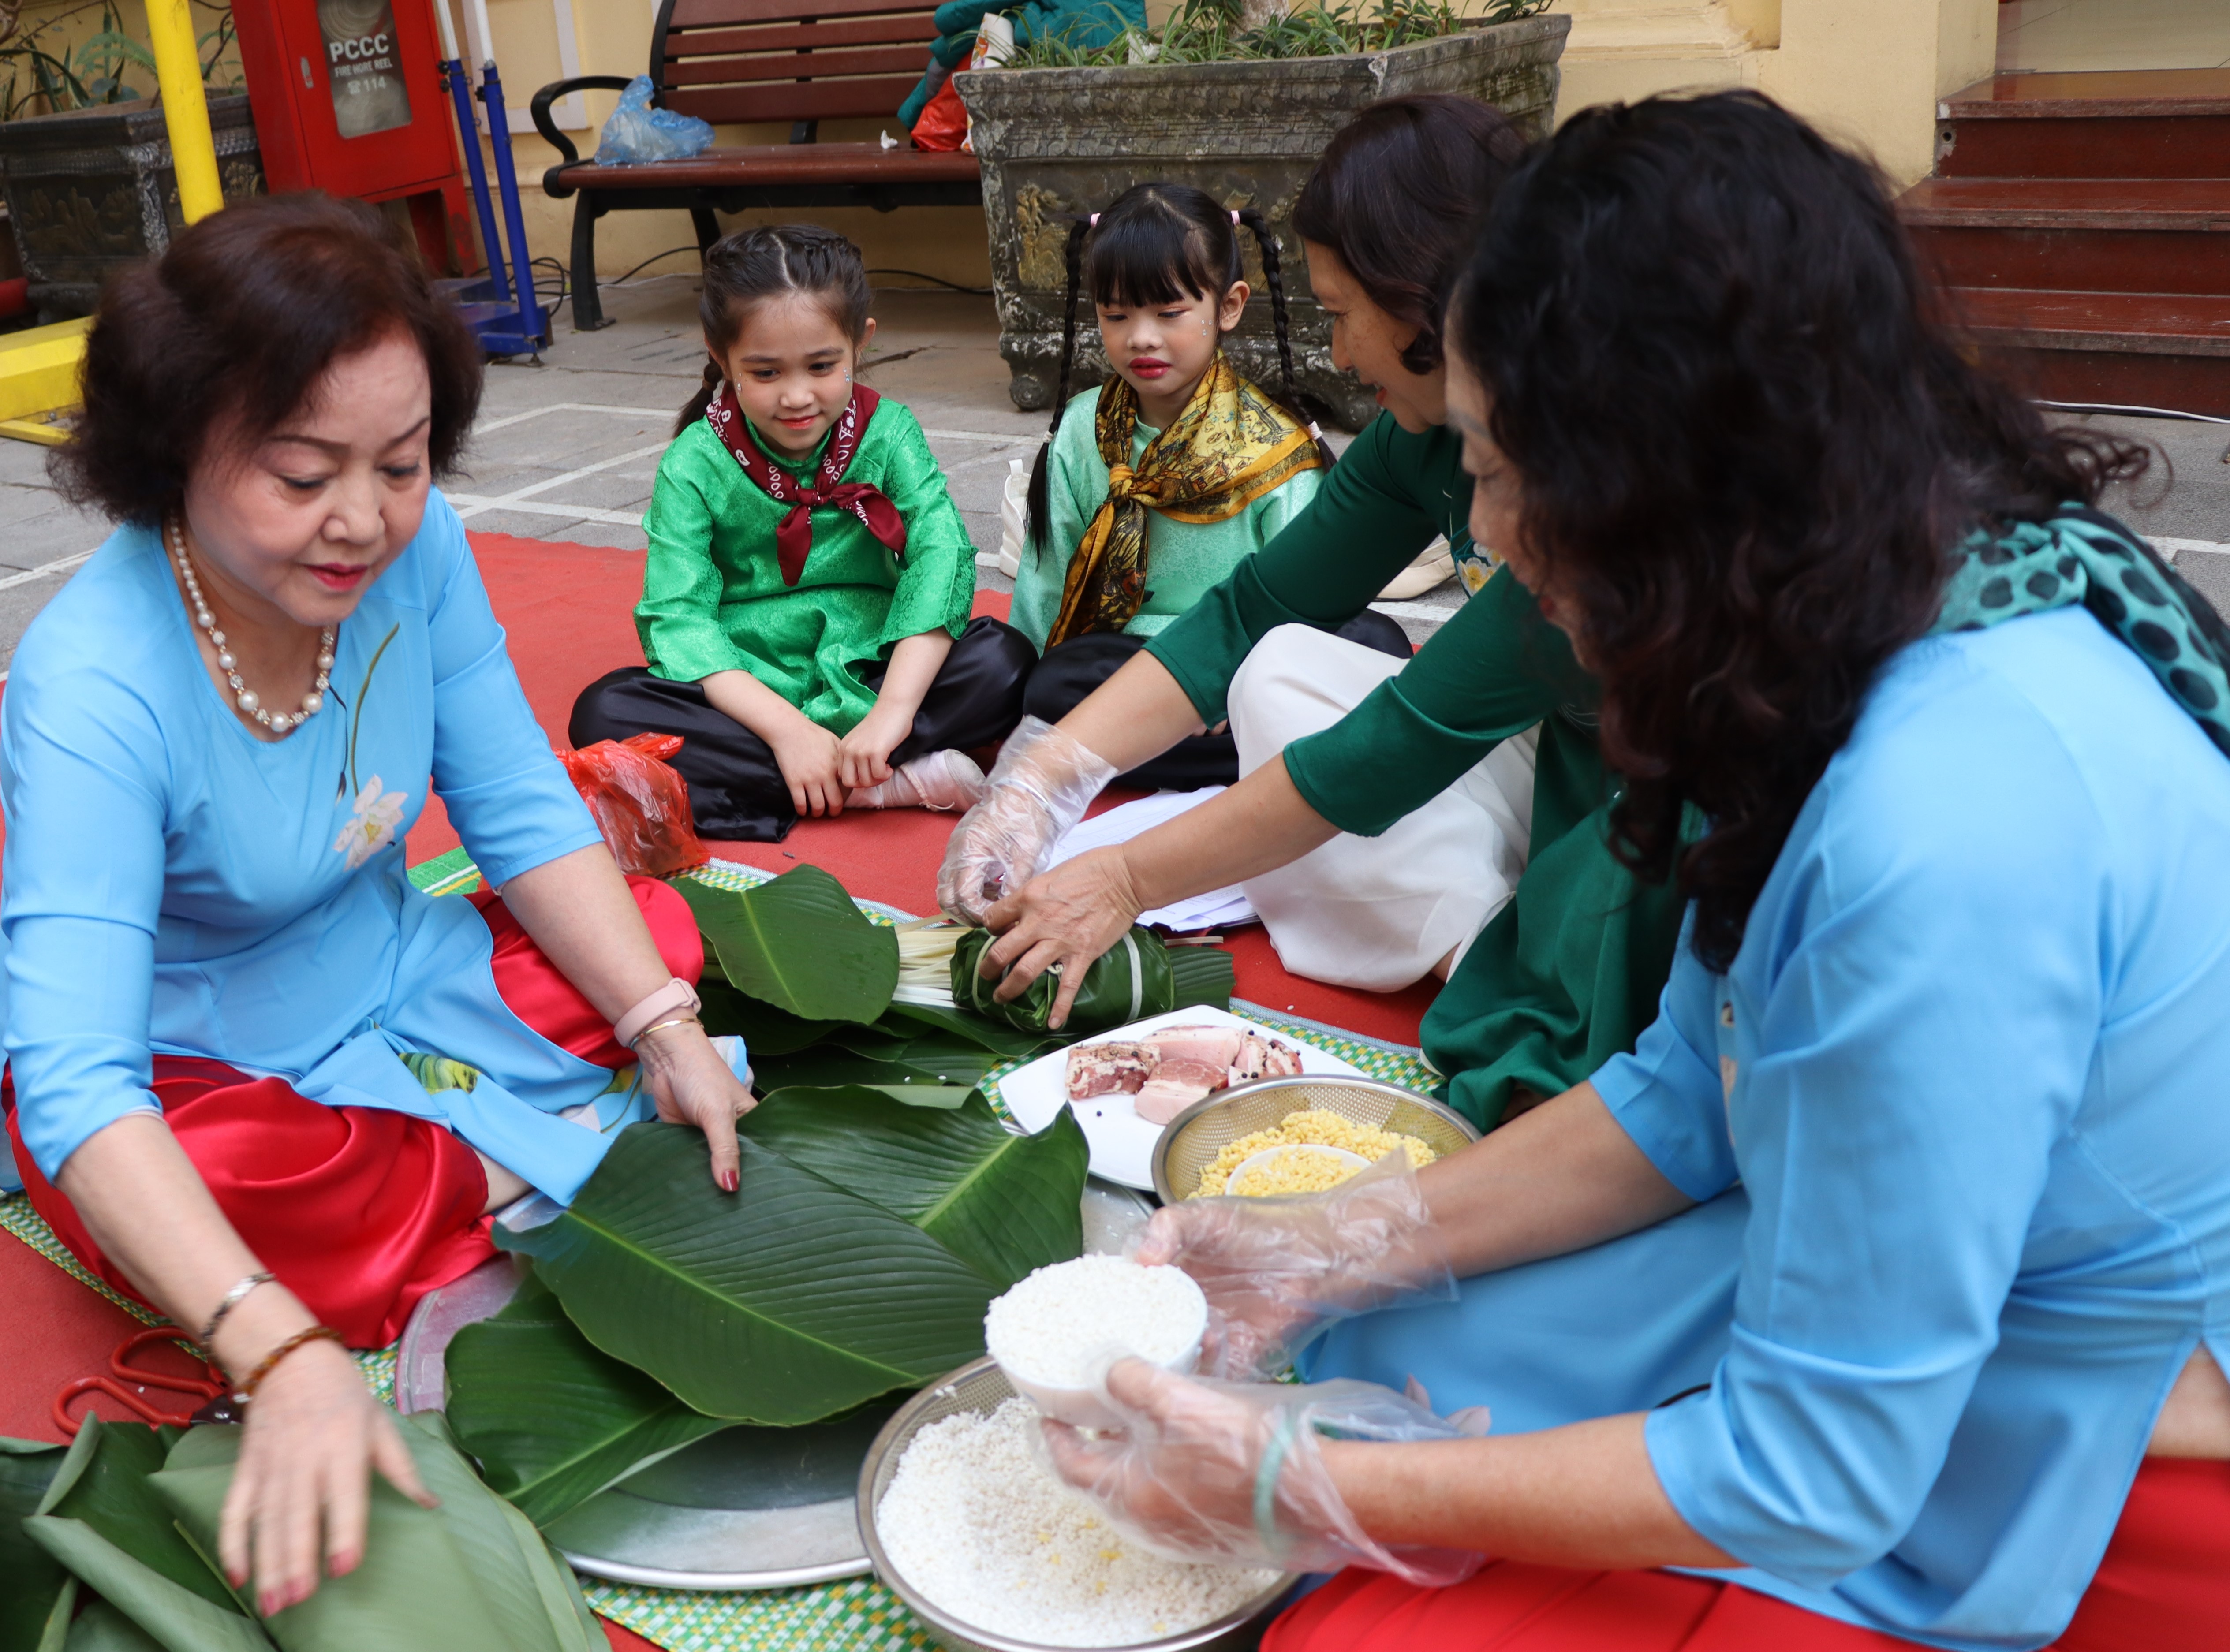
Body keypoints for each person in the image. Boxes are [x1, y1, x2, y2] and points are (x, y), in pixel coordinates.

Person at [1040, 93, 2230, 1651]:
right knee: (1384, 1330)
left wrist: (1315, 1480)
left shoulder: (1935, 824)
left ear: (1637, 478)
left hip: (2096, 1397)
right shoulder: (1861, 614)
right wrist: (1339, 1234)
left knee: (1359, 1604)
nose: (1474, 525)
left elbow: (1814, 1467)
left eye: (1482, 465)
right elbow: (1689, 1086)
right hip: (1902, 1234)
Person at [0, 195, 757, 1617]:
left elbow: (518, 806)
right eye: (302, 474)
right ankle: (484, 1168)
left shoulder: (421, 549)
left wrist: (661, 1025)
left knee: (653, 942)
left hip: (404, 955)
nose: (363, 521)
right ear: (177, 448)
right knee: (233, 1191)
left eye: (401, 465)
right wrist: (272, 1352)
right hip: (212, 1054)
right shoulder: (88, 687)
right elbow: (77, 1084)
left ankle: (463, 1174)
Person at [943, 94, 1685, 1131]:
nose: (1334, 353)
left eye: (1339, 312)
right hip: (1535, 751)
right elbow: (1254, 607)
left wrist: (1122, 875)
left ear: (1429, 296)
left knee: (1579, 999)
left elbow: (1397, 742)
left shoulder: (1591, 480)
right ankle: (1485, 934)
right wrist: (1040, 780)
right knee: (1282, 671)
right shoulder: (1417, 426)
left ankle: (1510, 953)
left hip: (1649, 791)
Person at [570, 224, 1033, 842]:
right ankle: (883, 785)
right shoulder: (693, 462)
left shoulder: (890, 432)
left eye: (821, 367)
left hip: (874, 663)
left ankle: (841, 765)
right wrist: (787, 732)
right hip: (748, 682)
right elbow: (678, 617)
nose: (796, 397)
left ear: (860, 345)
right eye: (764, 373)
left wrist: (892, 713)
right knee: (604, 711)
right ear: (719, 354)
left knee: (1004, 660)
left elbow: (940, 558)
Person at [1013, 182, 1390, 790]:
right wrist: (1025, 681)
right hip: (1128, 665)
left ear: (1229, 305)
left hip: (1245, 660)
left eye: (1168, 313)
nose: (1141, 337)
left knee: (1375, 642)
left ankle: (1107, 757)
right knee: (1051, 683)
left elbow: (1306, 602)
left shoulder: (1272, 445)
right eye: (1117, 315)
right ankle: (1268, 767)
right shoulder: (1083, 429)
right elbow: (1047, 574)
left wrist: (1218, 682)